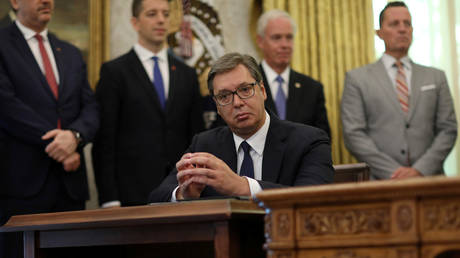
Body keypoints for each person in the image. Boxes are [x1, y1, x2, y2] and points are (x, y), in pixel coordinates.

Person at [149, 53, 333, 202]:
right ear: (217, 107)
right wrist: (184, 194)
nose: (237, 103)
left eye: (245, 89)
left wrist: (242, 186)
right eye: (224, 96)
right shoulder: (204, 145)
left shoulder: (308, 142)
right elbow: (157, 196)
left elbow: (314, 198)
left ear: (262, 91)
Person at [0, 0, 99, 257]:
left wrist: (74, 137)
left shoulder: (70, 52)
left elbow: (90, 108)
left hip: (69, 188)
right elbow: (6, 105)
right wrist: (59, 144)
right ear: (15, 2)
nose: (47, 1)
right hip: (20, 187)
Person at [92, 0, 204, 207]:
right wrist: (109, 198)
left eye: (165, 14)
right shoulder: (115, 72)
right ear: (135, 23)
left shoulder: (187, 74)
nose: (161, 20)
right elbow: (104, 142)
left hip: (180, 192)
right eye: (152, 14)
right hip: (131, 194)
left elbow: (196, 136)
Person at [341, 1, 457, 180]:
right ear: (379, 33)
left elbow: (448, 129)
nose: (402, 29)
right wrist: (394, 172)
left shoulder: (436, 77)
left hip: (430, 180)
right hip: (382, 182)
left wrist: (420, 170)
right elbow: (353, 134)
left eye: (407, 23)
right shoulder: (357, 79)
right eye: (394, 24)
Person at [256, 9, 330, 137]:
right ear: (260, 41)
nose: (285, 44)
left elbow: (322, 137)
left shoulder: (312, 88)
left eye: (289, 37)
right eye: (277, 38)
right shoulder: (247, 85)